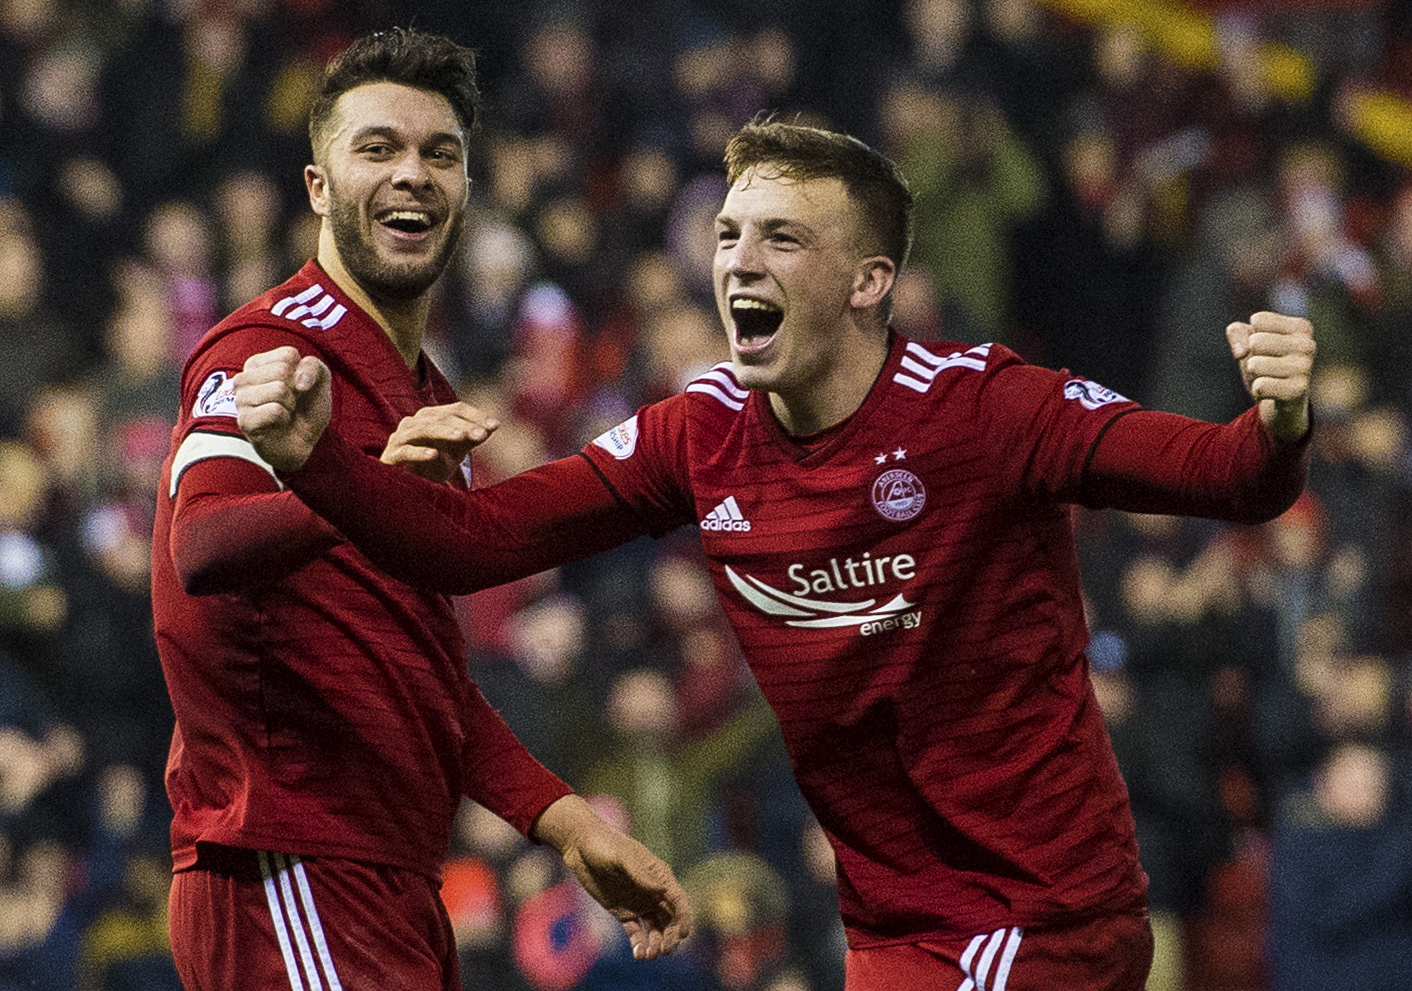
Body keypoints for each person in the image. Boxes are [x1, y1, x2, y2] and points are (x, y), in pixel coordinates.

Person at [235, 118, 1315, 990]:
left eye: (780, 239)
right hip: (892, 927)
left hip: (1036, 918)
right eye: (727, 236)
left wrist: (1272, 424)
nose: (738, 262)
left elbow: (1226, 478)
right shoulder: (699, 432)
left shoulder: (982, 407)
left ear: (867, 281)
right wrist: (318, 462)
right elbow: (475, 542)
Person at [150, 27, 689, 991]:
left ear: (468, 189)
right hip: (285, 864)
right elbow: (202, 544)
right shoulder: (267, 348)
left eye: (440, 153)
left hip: (387, 879)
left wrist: (563, 822)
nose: (413, 174)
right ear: (318, 185)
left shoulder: (422, 394)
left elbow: (423, 672)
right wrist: (345, 484)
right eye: (378, 148)